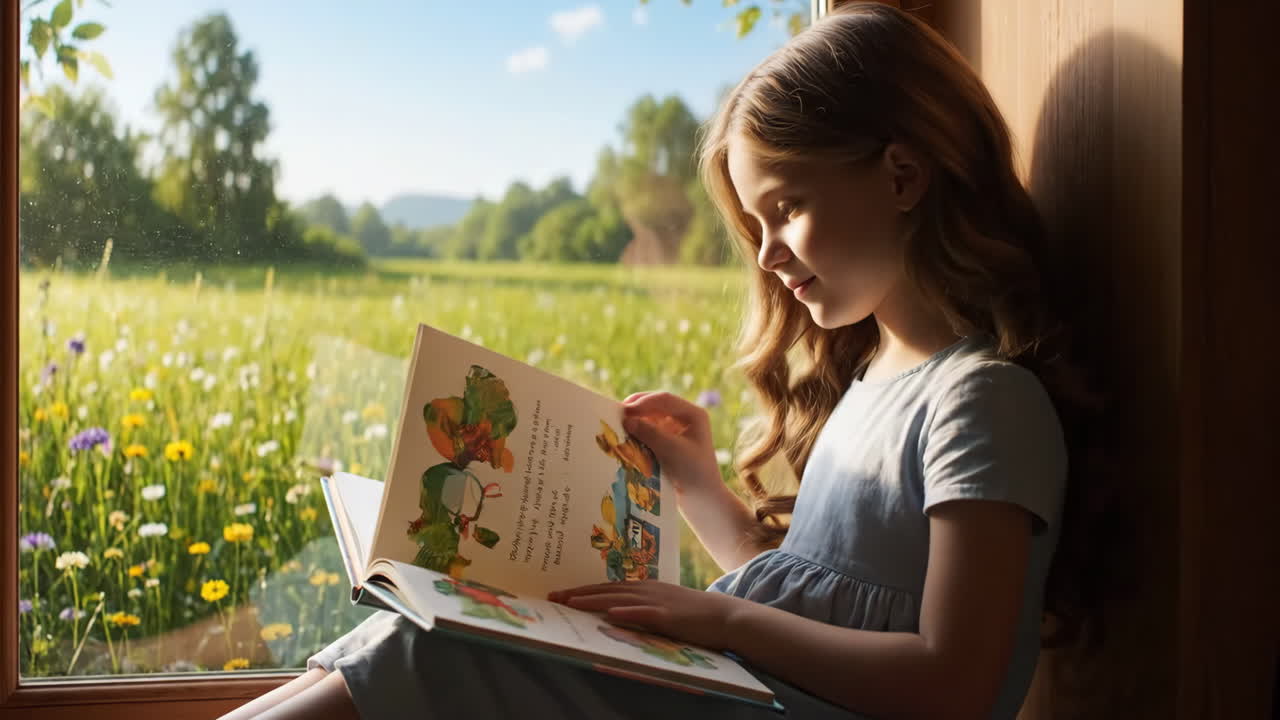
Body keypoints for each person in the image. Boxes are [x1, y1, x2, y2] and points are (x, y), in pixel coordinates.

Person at [222, 3, 1106, 718]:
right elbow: (806, 596)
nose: (766, 254)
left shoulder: (983, 401)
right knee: (436, 635)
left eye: (786, 209)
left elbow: (954, 683)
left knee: (437, 654)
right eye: (753, 227)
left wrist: (716, 619)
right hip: (763, 692)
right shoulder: (874, 376)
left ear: (903, 177)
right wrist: (699, 492)